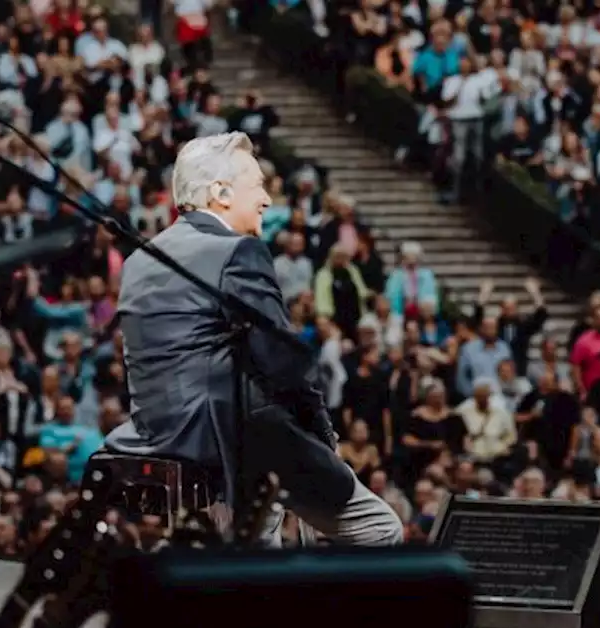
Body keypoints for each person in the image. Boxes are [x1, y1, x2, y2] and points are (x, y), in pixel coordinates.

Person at [105, 131, 402, 546]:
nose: (266, 200)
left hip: (159, 434)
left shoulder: (139, 259)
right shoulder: (236, 250)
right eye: (258, 186)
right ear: (221, 193)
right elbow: (279, 359)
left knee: (257, 551)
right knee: (380, 529)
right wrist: (322, 433)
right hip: (234, 438)